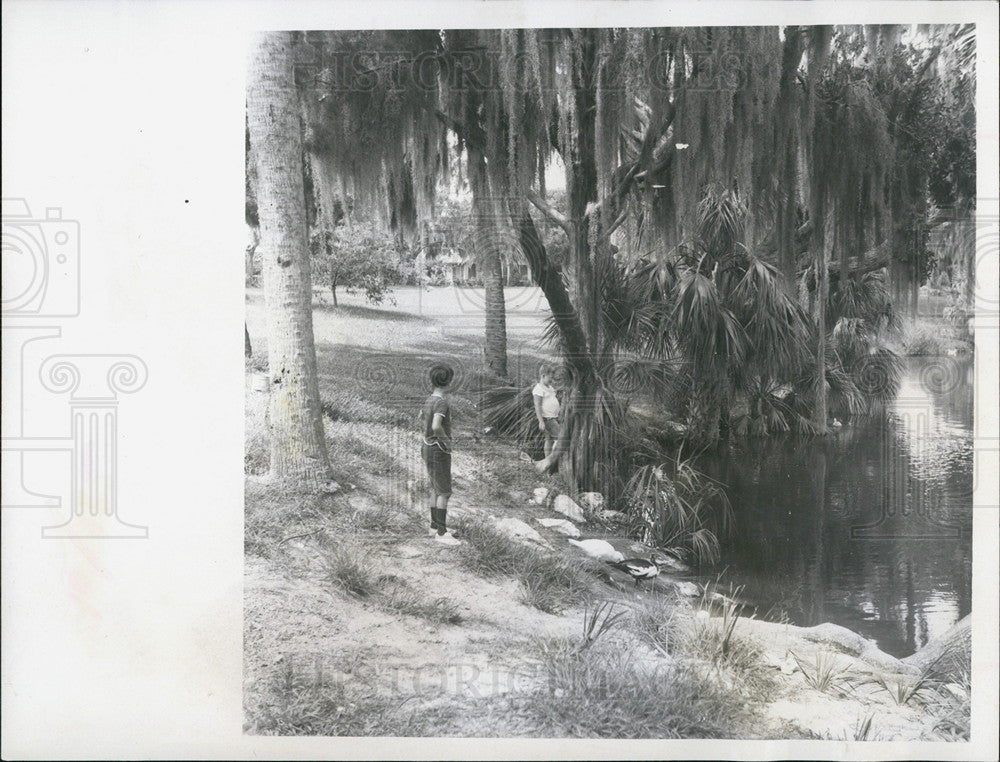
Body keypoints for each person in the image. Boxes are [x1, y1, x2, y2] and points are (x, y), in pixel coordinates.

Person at [421, 363, 460, 546]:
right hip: (438, 449)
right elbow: (437, 425)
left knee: (435, 488)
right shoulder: (442, 402)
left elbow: (422, 418)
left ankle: (434, 526)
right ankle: (442, 533)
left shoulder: (429, 399)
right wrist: (447, 441)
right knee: (444, 491)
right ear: (449, 382)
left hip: (426, 447)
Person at [532, 363, 563, 473]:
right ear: (543, 375)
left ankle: (547, 466)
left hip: (553, 417)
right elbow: (537, 406)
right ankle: (551, 463)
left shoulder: (549, 387)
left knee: (549, 440)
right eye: (550, 377)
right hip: (547, 419)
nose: (551, 380)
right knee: (561, 439)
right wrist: (541, 421)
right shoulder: (538, 389)